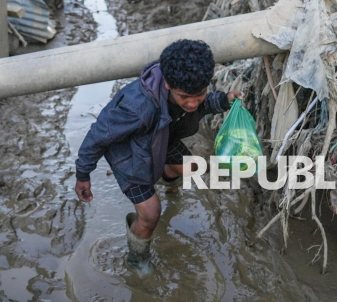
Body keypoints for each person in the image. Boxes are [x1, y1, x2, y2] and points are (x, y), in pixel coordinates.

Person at [74, 40, 242, 272]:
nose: (192, 103)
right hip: (131, 156)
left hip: (163, 138)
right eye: (185, 97)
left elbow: (201, 104)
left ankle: (168, 180)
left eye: (200, 94)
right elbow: (98, 136)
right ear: (167, 83)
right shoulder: (137, 107)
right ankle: (137, 259)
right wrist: (83, 173)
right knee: (152, 214)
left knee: (192, 168)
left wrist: (224, 100)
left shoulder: (190, 87)